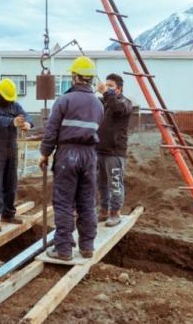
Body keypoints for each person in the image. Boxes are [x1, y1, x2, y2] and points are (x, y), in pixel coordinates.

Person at [38, 56, 104, 261]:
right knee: (86, 202)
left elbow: (51, 131)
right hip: (89, 156)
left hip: (68, 155)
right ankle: (87, 246)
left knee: (64, 202)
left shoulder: (64, 100)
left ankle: (64, 249)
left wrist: (45, 152)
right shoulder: (98, 104)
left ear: (75, 77)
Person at [0, 78, 33, 232]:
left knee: (10, 184)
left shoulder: (14, 105)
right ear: (0, 94)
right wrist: (13, 122)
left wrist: (27, 123)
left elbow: (26, 115)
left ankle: (8, 214)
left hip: (12, 148)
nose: (9, 101)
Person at [96, 73, 133, 227]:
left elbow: (118, 108)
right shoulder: (104, 103)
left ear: (119, 89)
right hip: (100, 150)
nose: (108, 88)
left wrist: (105, 92)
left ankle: (115, 212)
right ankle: (104, 210)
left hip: (115, 151)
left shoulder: (125, 102)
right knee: (101, 184)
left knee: (115, 184)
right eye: (107, 85)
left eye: (111, 86)